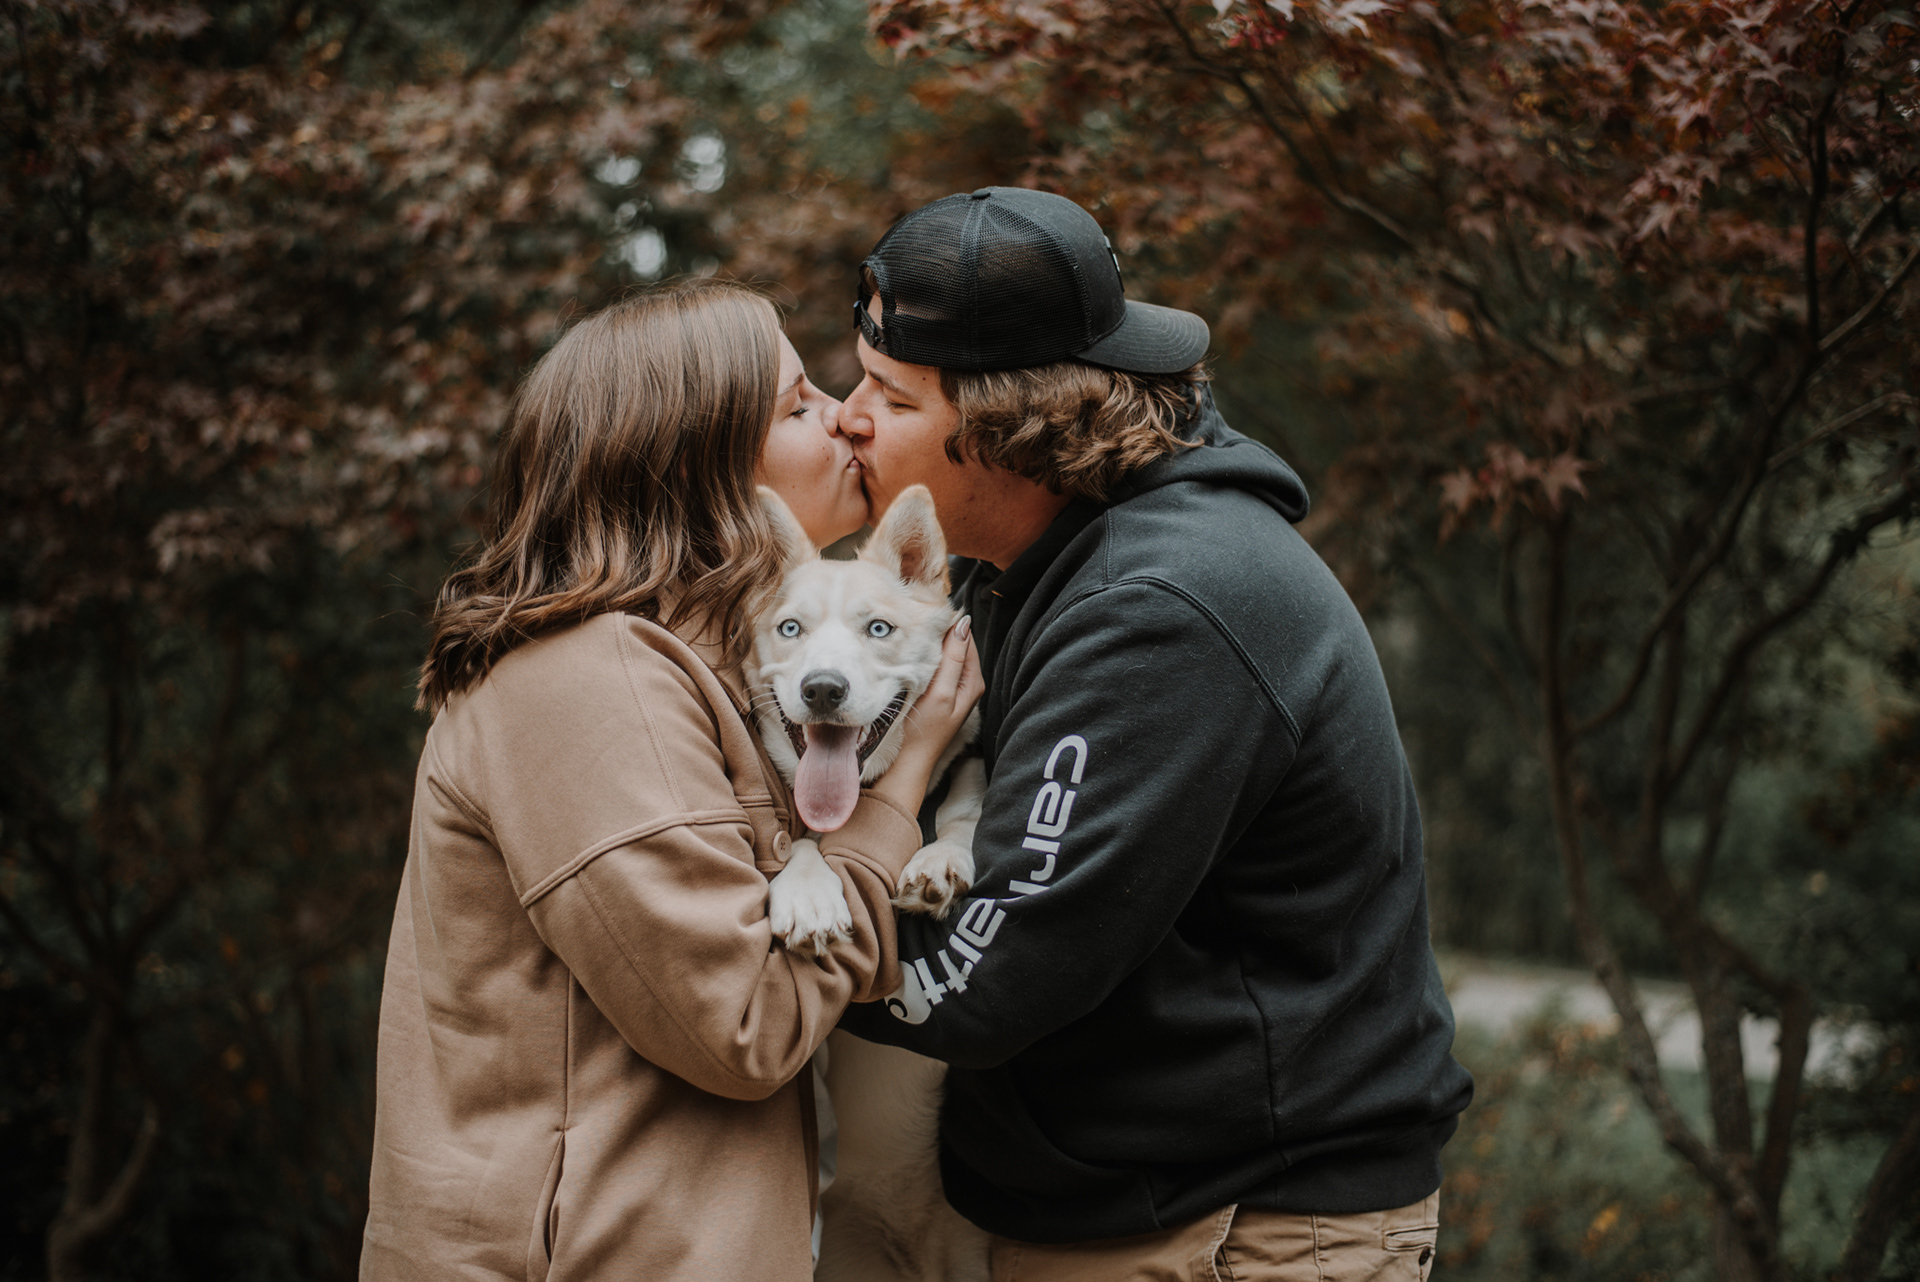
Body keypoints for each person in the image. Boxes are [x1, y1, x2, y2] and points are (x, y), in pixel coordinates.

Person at [834, 187, 1474, 1280]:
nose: (848, 414)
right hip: (1125, 1214)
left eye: (887, 397)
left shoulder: (1162, 604)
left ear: (1000, 426)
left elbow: (992, 975)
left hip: (1238, 1234)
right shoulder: (1028, 561)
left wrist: (736, 960)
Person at [359, 281, 981, 1281]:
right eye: (797, 404)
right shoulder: (591, 681)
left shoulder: (698, 672)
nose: (846, 415)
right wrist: (901, 792)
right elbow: (747, 1021)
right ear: (699, 462)